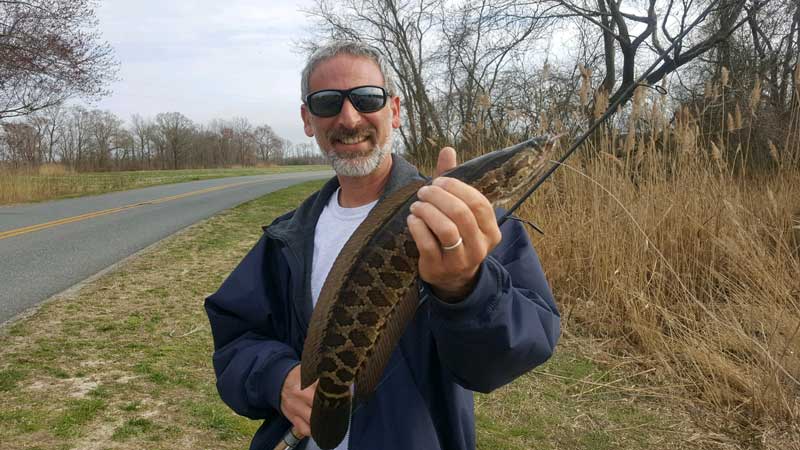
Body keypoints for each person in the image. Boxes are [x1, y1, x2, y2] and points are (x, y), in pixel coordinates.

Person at [204, 41, 560, 450]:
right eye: (326, 103)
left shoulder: (474, 222)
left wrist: (466, 287)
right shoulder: (285, 239)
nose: (349, 118)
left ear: (394, 110)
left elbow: (516, 351)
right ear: (307, 119)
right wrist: (277, 377)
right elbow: (235, 340)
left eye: (367, 98)